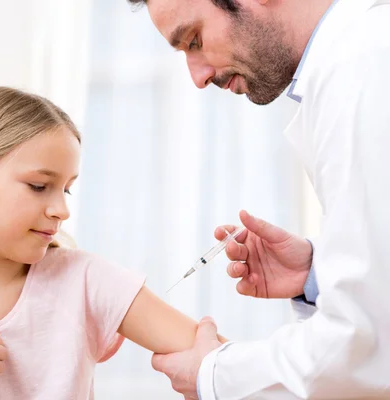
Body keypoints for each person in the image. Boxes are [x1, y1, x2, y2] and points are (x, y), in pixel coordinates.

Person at [0, 86, 224, 399]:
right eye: (40, 186)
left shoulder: (85, 280)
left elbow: (220, 366)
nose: (62, 210)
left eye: (66, 188)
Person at [126, 0, 390, 398]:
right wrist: (317, 274)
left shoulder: (362, 71)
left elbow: (367, 344)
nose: (198, 77)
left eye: (195, 40)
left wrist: (213, 373)